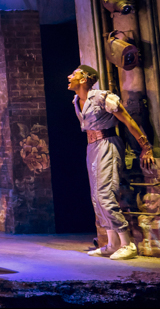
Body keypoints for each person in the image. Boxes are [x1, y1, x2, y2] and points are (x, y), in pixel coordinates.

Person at [68, 65, 156, 260]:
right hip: (92, 147)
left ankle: (127, 243)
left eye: (74, 74)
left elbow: (127, 120)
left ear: (84, 79)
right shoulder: (76, 100)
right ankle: (112, 243)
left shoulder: (103, 97)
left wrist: (145, 146)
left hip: (108, 144)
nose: (69, 76)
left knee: (105, 194)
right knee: (96, 197)